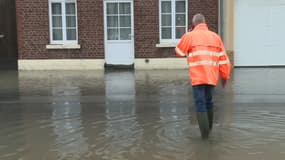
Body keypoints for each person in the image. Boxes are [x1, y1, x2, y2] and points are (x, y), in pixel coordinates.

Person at [175, 13, 231, 139]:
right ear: (204, 23)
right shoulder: (215, 37)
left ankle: (205, 137)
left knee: (200, 104)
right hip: (211, 77)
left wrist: (187, 35)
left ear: (194, 24)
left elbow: (179, 52)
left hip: (198, 77)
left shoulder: (189, 36)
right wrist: (225, 77)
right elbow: (224, 60)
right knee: (209, 102)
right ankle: (209, 131)